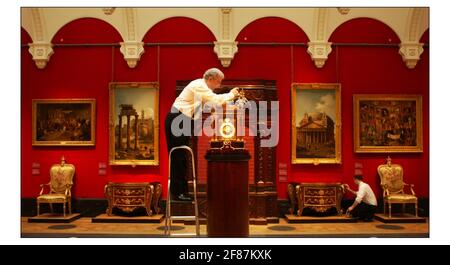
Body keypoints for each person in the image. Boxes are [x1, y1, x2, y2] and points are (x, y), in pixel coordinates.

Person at [165, 68, 240, 201]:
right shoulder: (199, 85)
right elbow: (216, 100)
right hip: (178, 119)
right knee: (178, 156)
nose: (219, 86)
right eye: (218, 82)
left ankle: (180, 192)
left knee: (181, 156)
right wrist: (232, 94)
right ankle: (177, 194)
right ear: (211, 79)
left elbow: (212, 106)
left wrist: (230, 108)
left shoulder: (202, 89)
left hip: (182, 119)